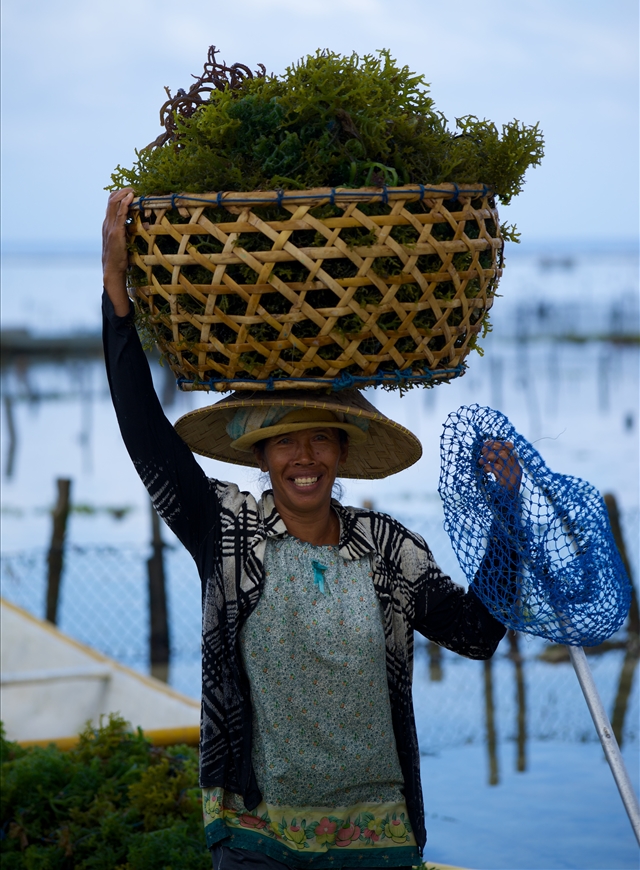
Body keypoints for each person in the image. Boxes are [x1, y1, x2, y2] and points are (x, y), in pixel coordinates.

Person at [102, 188, 518, 870]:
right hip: (255, 837)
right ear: (260, 455)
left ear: (343, 451)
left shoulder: (389, 553)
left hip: (376, 840)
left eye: (320, 439)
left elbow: (477, 633)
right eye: (285, 441)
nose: (304, 458)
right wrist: (116, 294)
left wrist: (506, 518)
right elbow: (144, 433)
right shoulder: (228, 529)